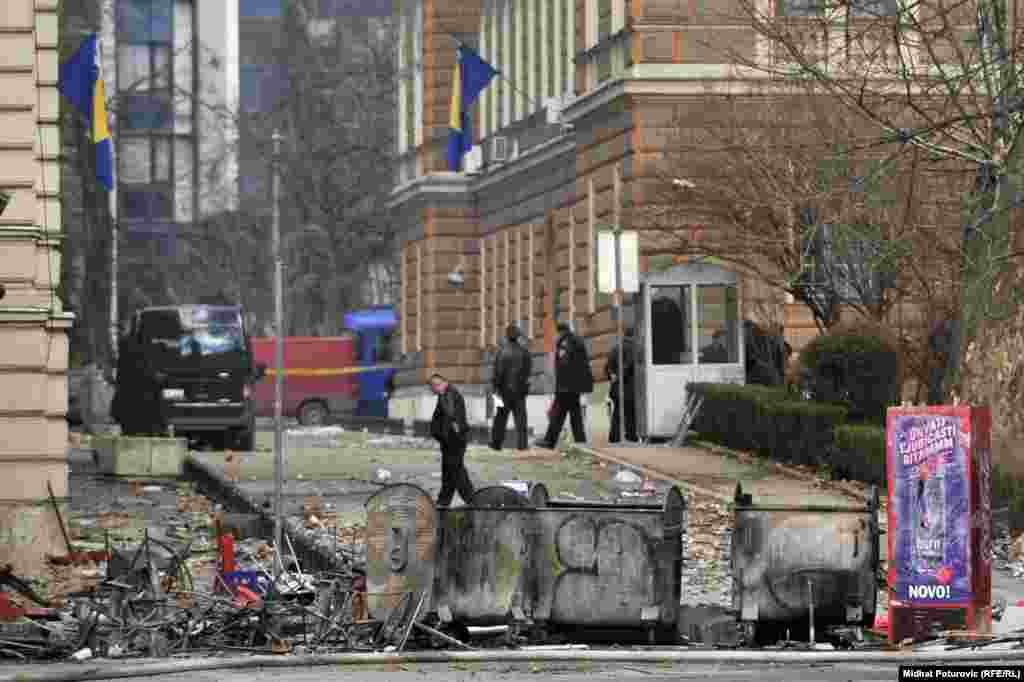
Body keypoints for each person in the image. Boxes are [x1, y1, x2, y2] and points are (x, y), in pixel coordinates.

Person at [536, 322, 594, 448]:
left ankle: (549, 441)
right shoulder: (578, 340)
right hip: (576, 385)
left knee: (558, 413)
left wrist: (560, 383)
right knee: (574, 413)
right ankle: (580, 440)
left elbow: (564, 362)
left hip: (566, 386)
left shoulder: (564, 342)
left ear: (560, 332)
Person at [429, 373, 475, 507]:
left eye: (435, 386)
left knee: (457, 473)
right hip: (450, 441)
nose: (434, 390)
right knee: (448, 473)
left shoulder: (448, 395)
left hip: (453, 441)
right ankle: (443, 502)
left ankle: (472, 501)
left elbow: (451, 415)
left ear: (442, 383)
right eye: (433, 387)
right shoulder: (445, 394)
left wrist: (449, 433)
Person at [490, 324, 532, 451]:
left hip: (503, 391)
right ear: (518, 336)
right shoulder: (525, 352)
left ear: (507, 336)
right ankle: (523, 445)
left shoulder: (501, 352)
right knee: (521, 419)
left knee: (500, 418)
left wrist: (495, 387)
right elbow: (527, 371)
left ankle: (496, 444)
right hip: (519, 391)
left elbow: (498, 372)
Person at [606, 328, 637, 443]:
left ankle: (614, 437)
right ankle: (631, 436)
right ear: (634, 336)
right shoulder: (633, 348)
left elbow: (607, 367)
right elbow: (629, 365)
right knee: (631, 413)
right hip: (629, 387)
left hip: (616, 387)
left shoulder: (615, 348)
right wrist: (620, 375)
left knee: (618, 413)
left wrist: (612, 375)